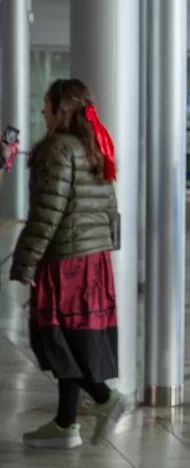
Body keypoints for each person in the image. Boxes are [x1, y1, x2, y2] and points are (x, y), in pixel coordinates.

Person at [8, 78, 128, 448]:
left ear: (61, 107)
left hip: (65, 261)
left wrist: (25, 261)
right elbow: (110, 207)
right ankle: (65, 424)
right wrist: (107, 246)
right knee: (73, 336)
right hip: (92, 259)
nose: (42, 110)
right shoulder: (94, 144)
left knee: (57, 337)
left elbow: (47, 213)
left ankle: (105, 397)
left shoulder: (57, 148)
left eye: (46, 104)